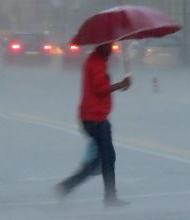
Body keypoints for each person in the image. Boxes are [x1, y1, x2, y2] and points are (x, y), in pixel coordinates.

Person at [56, 43, 131, 207]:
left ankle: (68, 186)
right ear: (101, 45)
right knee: (107, 157)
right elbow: (99, 89)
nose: (111, 49)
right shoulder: (96, 62)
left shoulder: (99, 60)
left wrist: (120, 86)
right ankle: (108, 197)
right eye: (108, 46)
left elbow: (100, 88)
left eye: (112, 45)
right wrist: (120, 85)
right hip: (94, 118)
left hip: (95, 116)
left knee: (104, 157)